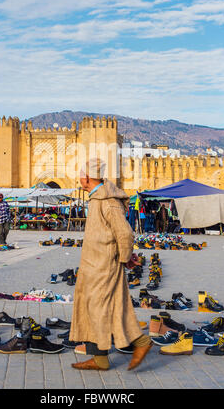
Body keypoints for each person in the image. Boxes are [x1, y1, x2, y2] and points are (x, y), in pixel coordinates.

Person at [69, 158, 152, 372]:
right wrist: (128, 257)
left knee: (99, 308)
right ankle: (100, 357)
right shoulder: (98, 199)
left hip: (103, 267)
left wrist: (125, 258)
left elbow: (124, 233)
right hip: (95, 265)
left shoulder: (107, 200)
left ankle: (138, 344)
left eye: (80, 174)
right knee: (104, 308)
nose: (79, 178)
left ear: (87, 177)